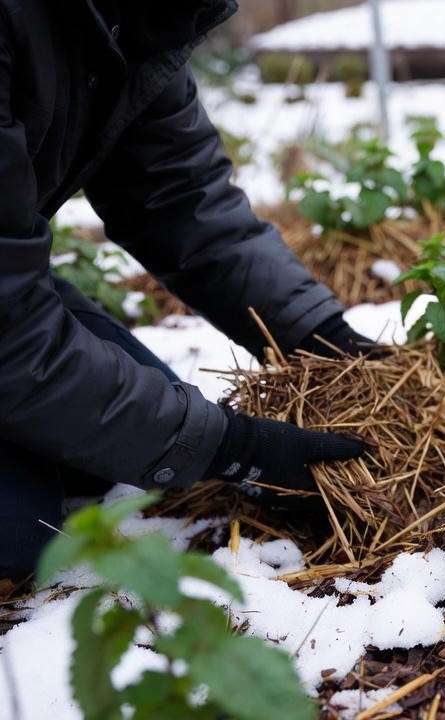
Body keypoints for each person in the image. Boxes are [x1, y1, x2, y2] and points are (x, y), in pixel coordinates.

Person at [0, 0, 375, 580]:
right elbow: (12, 340)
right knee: (28, 532)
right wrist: (235, 446)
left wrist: (324, 337)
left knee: (124, 444)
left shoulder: (134, 19)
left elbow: (177, 195)